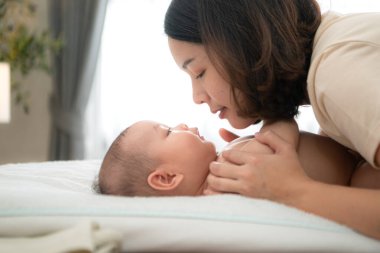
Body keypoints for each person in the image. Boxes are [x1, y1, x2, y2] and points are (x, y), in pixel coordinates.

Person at [164, 0, 380, 238]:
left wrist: (291, 190)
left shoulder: (335, 73)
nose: (196, 97)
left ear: (242, 42)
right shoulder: (331, 63)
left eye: (199, 73)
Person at [96, 119, 374, 197]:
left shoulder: (225, 165)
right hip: (358, 175)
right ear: (167, 177)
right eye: (168, 132)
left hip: (348, 154)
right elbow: (283, 132)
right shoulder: (227, 173)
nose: (181, 125)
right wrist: (274, 115)